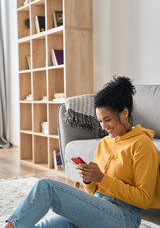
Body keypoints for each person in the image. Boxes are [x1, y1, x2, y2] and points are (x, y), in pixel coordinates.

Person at [4, 76, 160, 228]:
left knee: (47, 187)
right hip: (97, 208)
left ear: (124, 112)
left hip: (124, 217)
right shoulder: (104, 143)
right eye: (100, 121)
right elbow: (93, 191)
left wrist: (102, 178)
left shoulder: (142, 144)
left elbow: (144, 199)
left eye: (107, 119)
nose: (103, 126)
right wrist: (88, 180)